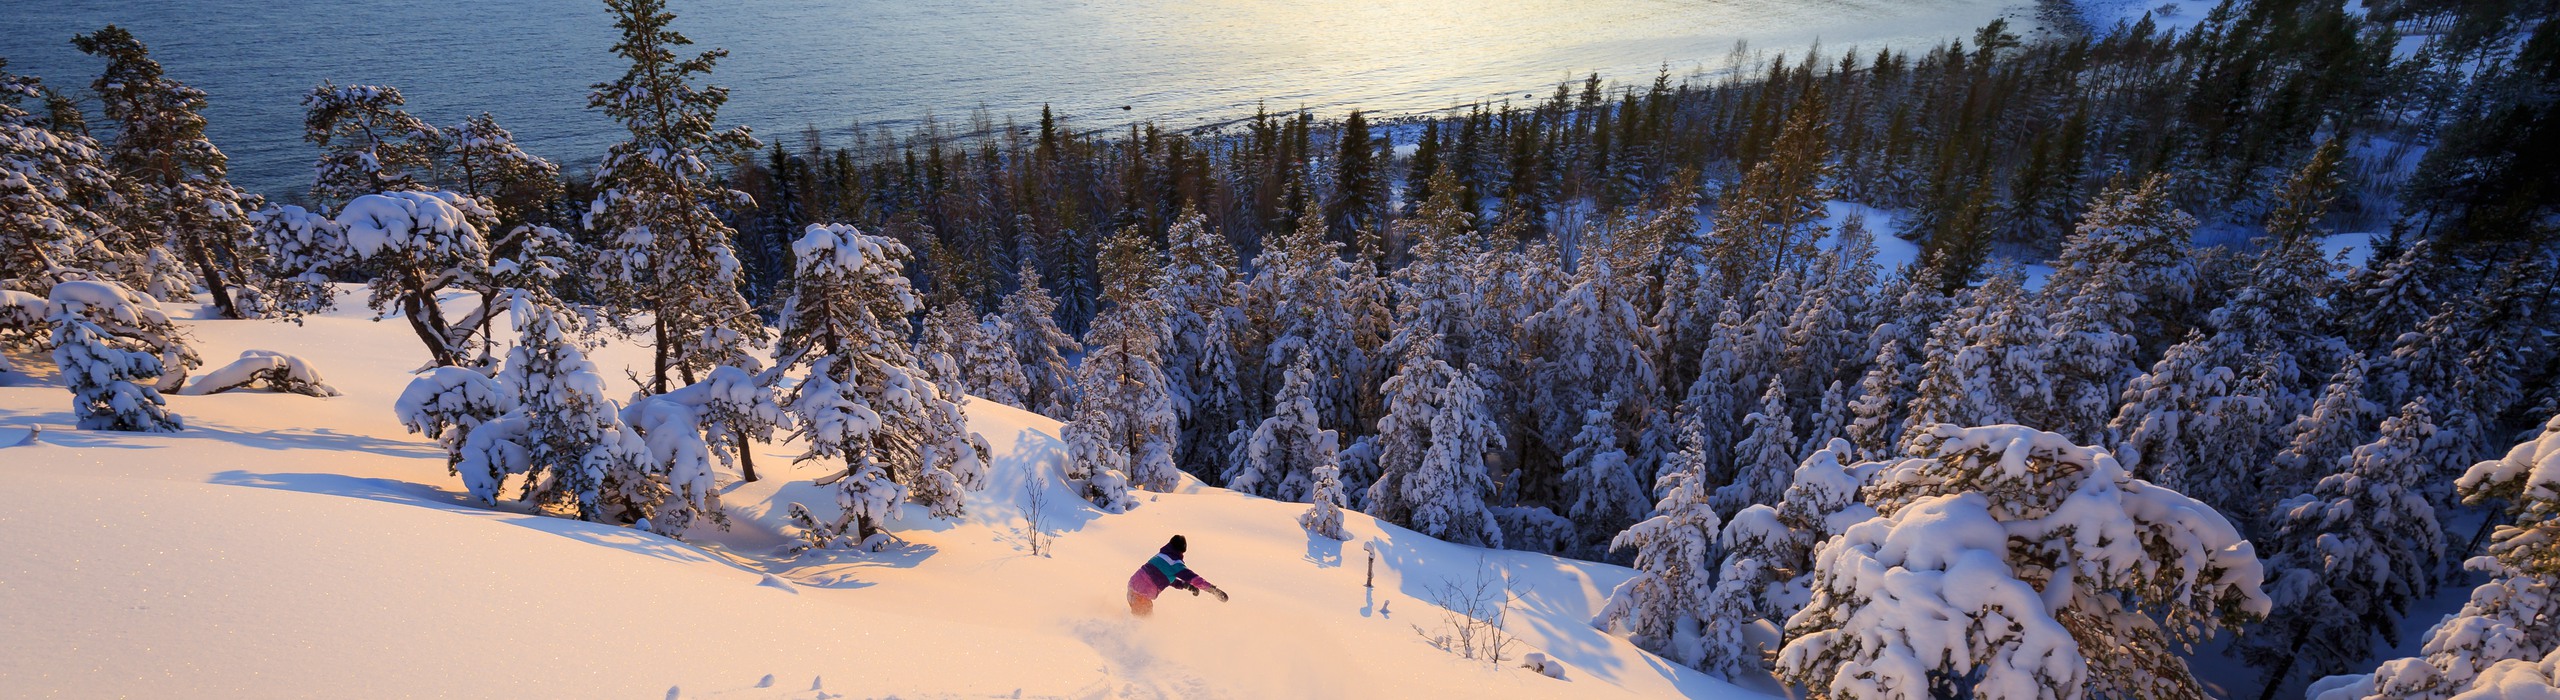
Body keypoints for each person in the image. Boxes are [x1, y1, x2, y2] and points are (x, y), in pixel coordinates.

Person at [1127, 534, 1226, 616]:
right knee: (1144, 623)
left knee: (1138, 619)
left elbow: (1162, 578)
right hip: (1142, 595)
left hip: (1132, 589)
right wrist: (1213, 590)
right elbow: (1195, 579)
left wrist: (1185, 585)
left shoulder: (1160, 556)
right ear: (1183, 550)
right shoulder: (1175, 564)